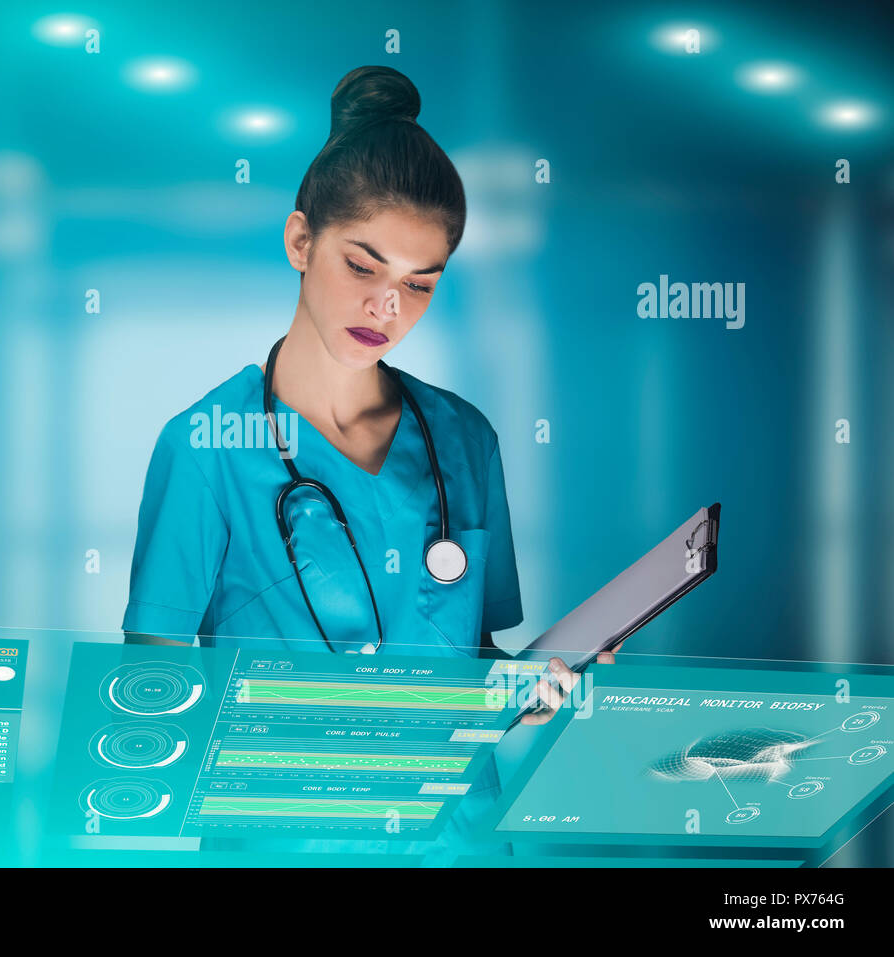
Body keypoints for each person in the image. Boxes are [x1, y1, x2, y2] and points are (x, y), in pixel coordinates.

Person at [121, 65, 612, 861]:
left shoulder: (463, 437)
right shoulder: (206, 445)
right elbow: (150, 710)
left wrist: (535, 684)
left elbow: (471, 663)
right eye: (363, 267)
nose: (388, 310)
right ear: (300, 240)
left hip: (461, 845)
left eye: (419, 285)